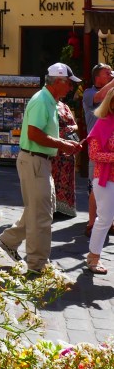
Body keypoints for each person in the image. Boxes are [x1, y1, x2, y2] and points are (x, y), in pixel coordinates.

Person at [0, 63, 82, 275]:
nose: (71, 88)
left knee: (41, 210)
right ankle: (37, 265)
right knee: (41, 216)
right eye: (69, 83)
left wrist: (62, 145)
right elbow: (34, 134)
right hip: (35, 161)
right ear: (58, 81)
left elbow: (41, 134)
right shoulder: (42, 101)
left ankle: (9, 240)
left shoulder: (49, 100)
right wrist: (62, 144)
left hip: (39, 161)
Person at [82, 63, 114, 236]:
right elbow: (101, 96)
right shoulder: (89, 93)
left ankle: (109, 221)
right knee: (95, 185)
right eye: (107, 73)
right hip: (98, 146)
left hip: (112, 145)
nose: (110, 75)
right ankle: (92, 222)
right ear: (97, 77)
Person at [84, 86, 114, 274]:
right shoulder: (102, 124)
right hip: (106, 179)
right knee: (105, 219)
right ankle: (93, 257)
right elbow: (94, 154)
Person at [51, 98, 80, 218]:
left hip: (68, 147)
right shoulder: (49, 106)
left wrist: (72, 128)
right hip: (56, 148)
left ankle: (66, 208)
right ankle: (54, 207)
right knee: (55, 178)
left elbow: (75, 124)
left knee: (67, 178)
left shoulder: (65, 107)